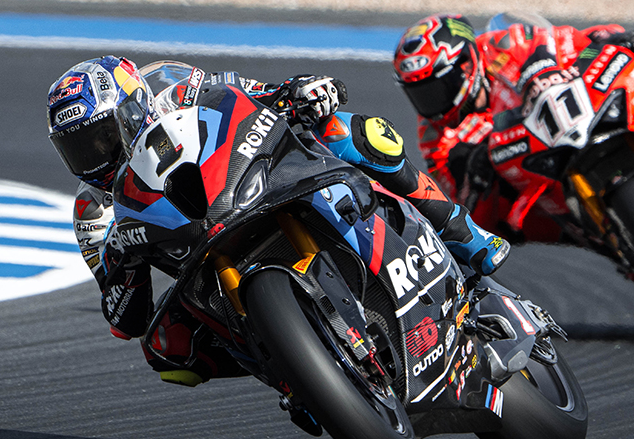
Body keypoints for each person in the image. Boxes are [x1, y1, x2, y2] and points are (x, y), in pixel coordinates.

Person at [46, 55, 509, 391]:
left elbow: (246, 94)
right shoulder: (93, 211)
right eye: (78, 149)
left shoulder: (171, 87)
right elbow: (126, 317)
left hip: (250, 188)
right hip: (202, 269)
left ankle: (461, 233)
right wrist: (121, 264)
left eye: (102, 137)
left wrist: (299, 91)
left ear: (130, 110)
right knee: (168, 351)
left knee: (350, 131)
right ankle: (297, 376)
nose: (95, 157)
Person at [391, 12, 634, 243]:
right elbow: (463, 210)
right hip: (539, 179)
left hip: (584, 112)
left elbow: (567, 40)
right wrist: (475, 179)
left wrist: (610, 38)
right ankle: (617, 242)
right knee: (508, 225)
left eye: (437, 86)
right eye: (419, 93)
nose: (431, 103)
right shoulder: (436, 135)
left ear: (466, 63)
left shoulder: (505, 42)